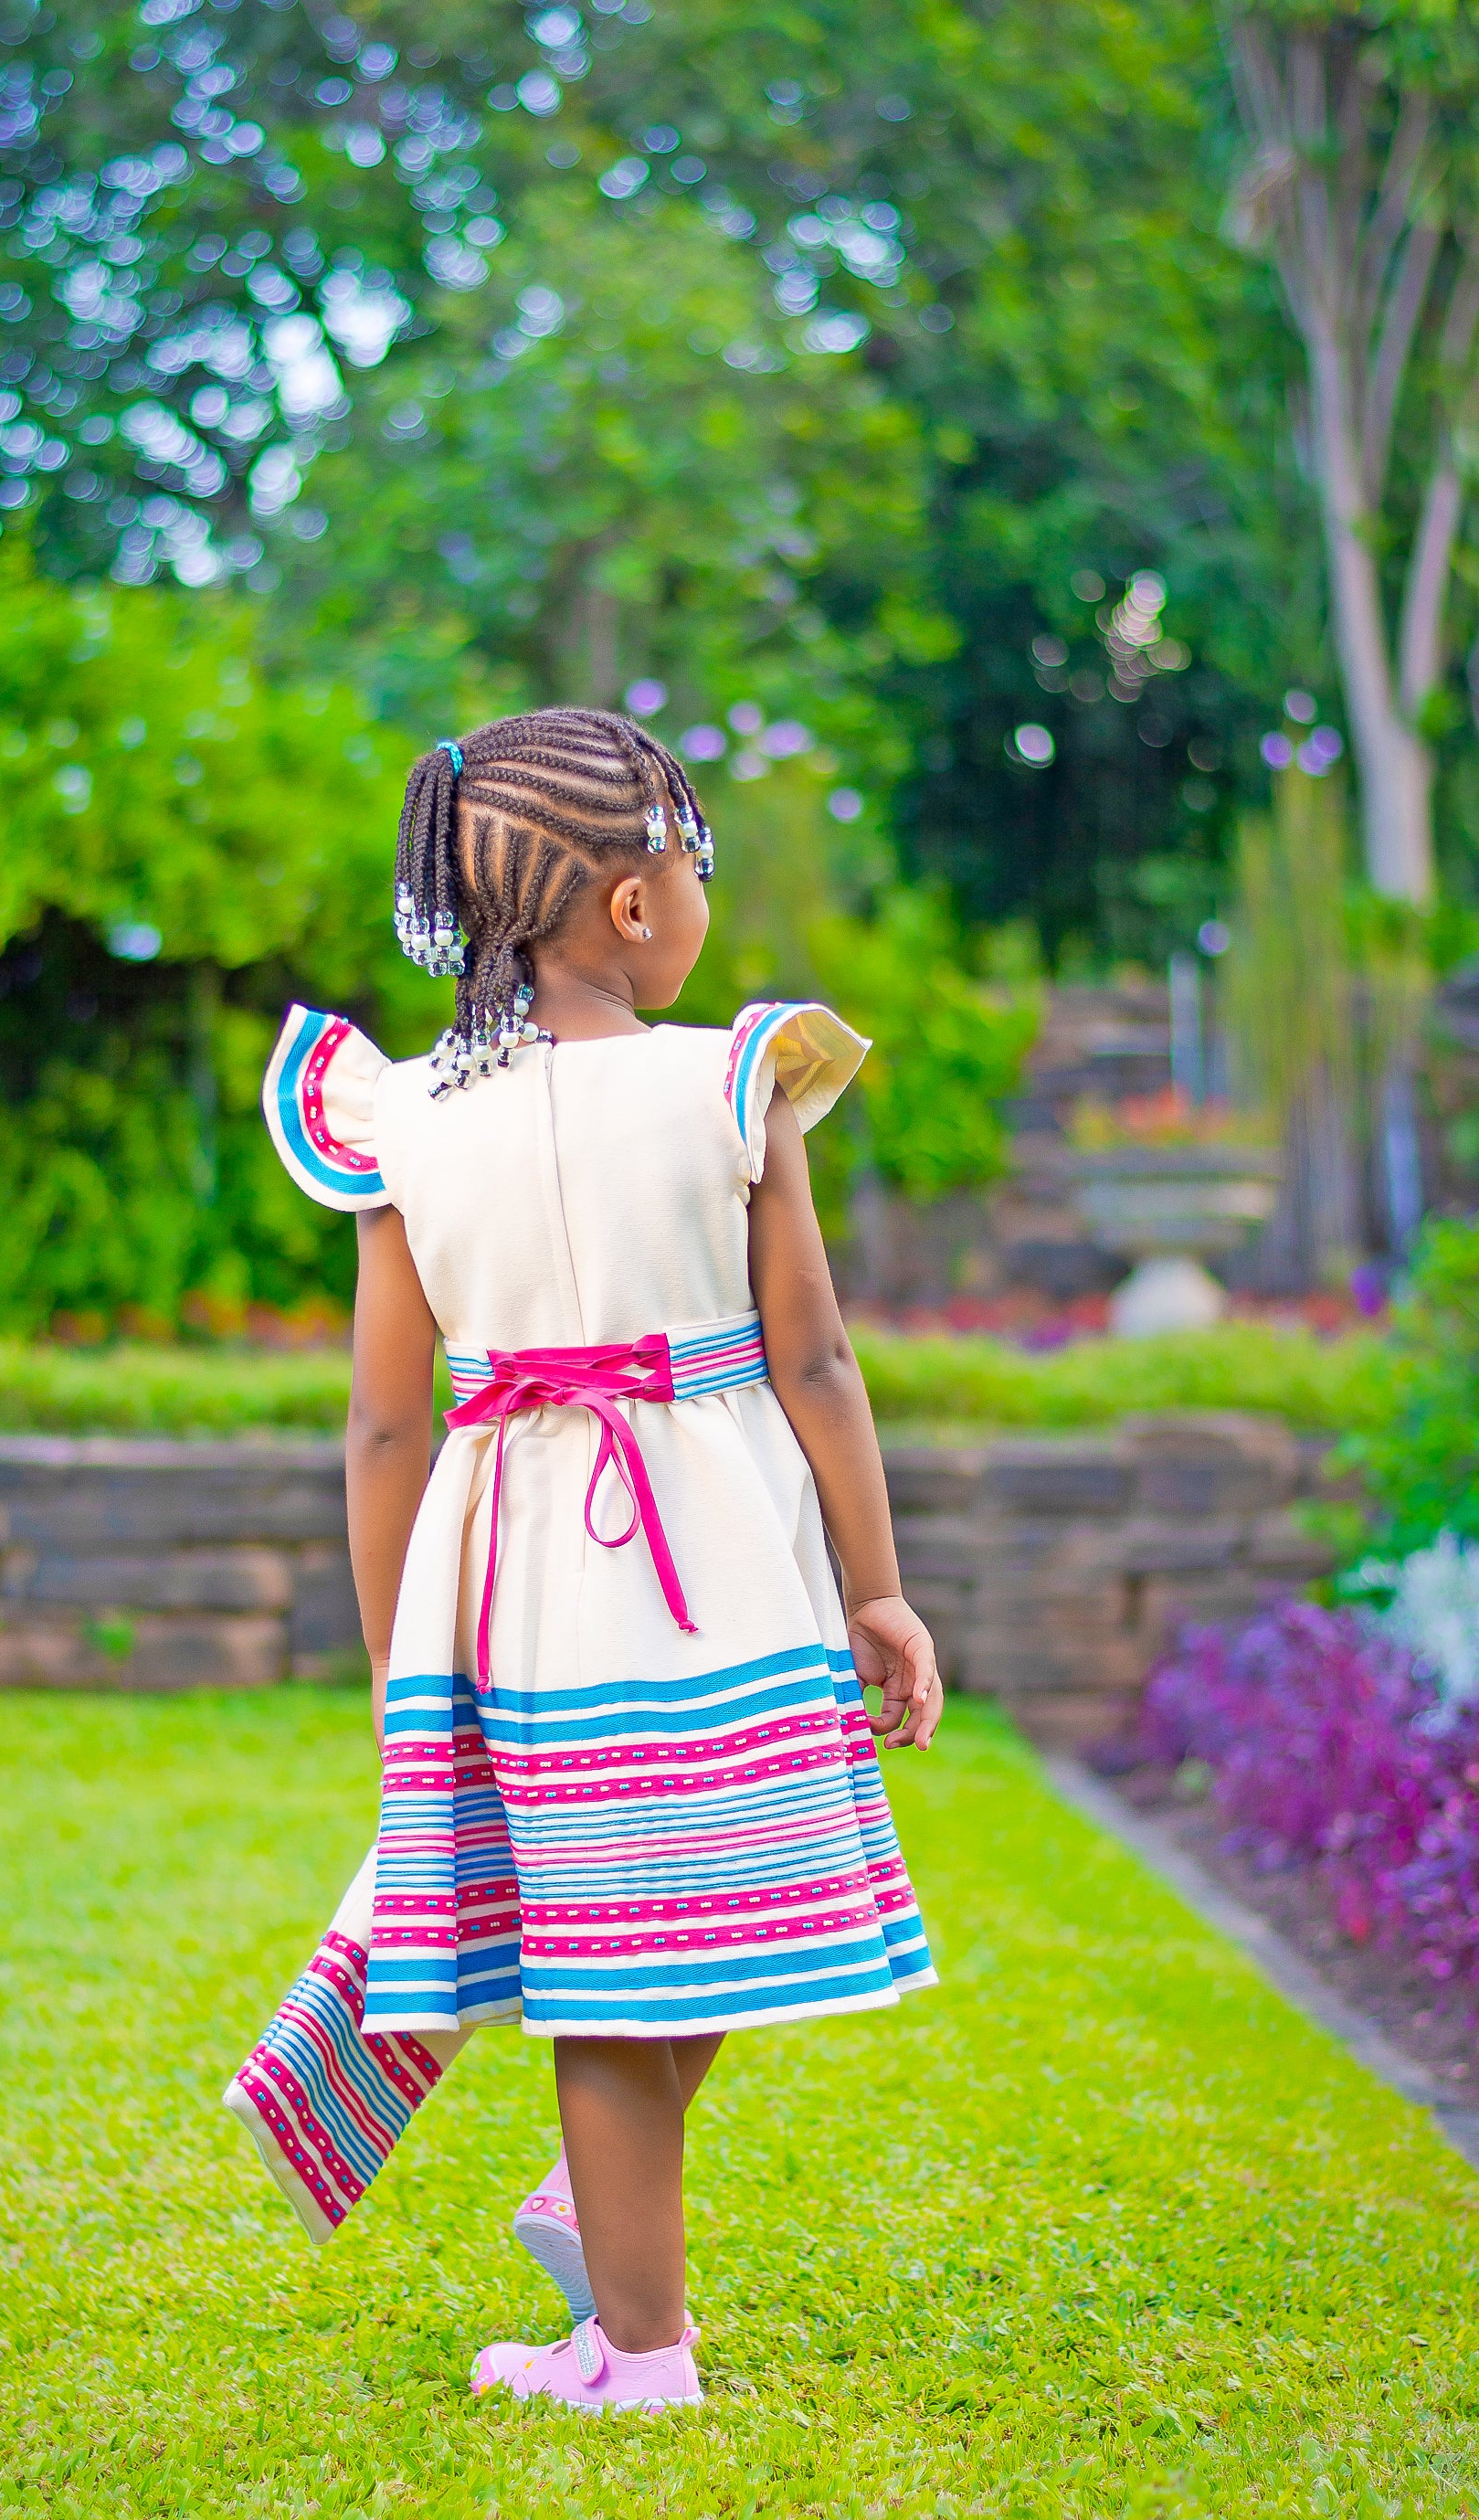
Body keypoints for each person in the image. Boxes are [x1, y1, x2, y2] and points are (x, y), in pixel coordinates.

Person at [225, 706, 941, 2414]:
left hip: (516, 1588)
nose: (701, 898)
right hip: (721, 1567)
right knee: (703, 1907)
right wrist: (878, 1585)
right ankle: (638, 2349)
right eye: (694, 863)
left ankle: (605, 2254)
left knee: (618, 1944)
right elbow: (817, 1360)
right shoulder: (729, 1082)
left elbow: (386, 1428)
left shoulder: (401, 1118)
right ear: (631, 907)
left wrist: (402, 1658)